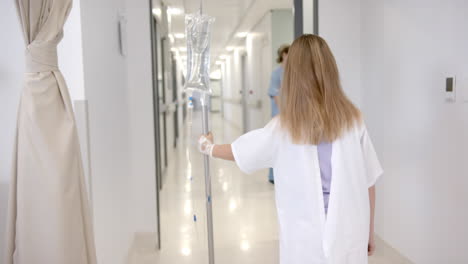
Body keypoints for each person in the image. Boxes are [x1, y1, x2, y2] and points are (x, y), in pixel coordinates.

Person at [198, 34, 382, 263]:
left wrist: (208, 146)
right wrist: (369, 231)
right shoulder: (354, 121)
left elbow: (240, 152)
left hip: (304, 241)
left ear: (292, 76)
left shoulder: (282, 129)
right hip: (349, 233)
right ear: (331, 70)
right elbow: (369, 182)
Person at [267, 44, 289, 184]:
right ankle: (272, 176)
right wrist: (284, 112)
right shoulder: (276, 73)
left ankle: (286, 175)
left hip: (291, 113)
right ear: (282, 55)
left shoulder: (294, 72)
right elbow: (274, 93)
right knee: (276, 144)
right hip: (280, 113)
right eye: (287, 54)